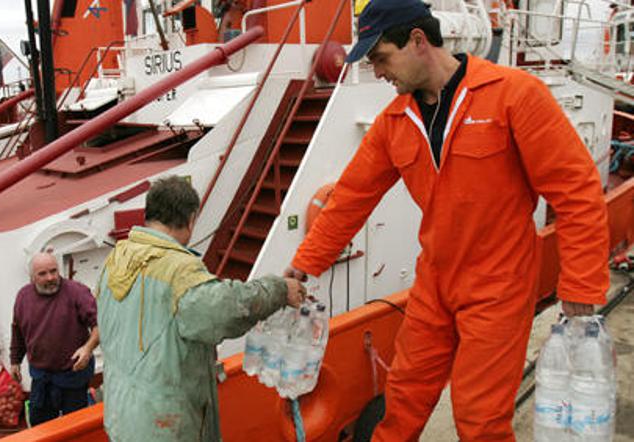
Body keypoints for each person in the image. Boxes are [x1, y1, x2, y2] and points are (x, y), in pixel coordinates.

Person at [285, 0, 610, 440]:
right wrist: (304, 264)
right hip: (435, 280)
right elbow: (349, 200)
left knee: (479, 419)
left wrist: (581, 287)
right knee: (402, 400)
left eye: (381, 58)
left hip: (499, 283)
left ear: (418, 41)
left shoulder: (513, 94)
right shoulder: (395, 121)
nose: (378, 73)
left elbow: (576, 191)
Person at [96, 176, 306, 441]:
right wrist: (279, 289)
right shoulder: (178, 270)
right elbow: (230, 309)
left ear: (149, 213)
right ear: (191, 219)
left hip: (121, 417)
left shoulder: (117, 257)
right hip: (164, 429)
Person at [9, 252, 100, 426]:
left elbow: (99, 325)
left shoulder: (77, 292)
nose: (50, 277)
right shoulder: (23, 297)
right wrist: (15, 361)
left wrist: (87, 349)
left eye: (53, 271)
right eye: (42, 274)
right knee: (40, 426)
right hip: (41, 376)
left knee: (76, 427)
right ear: (32, 277)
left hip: (73, 376)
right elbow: (18, 331)